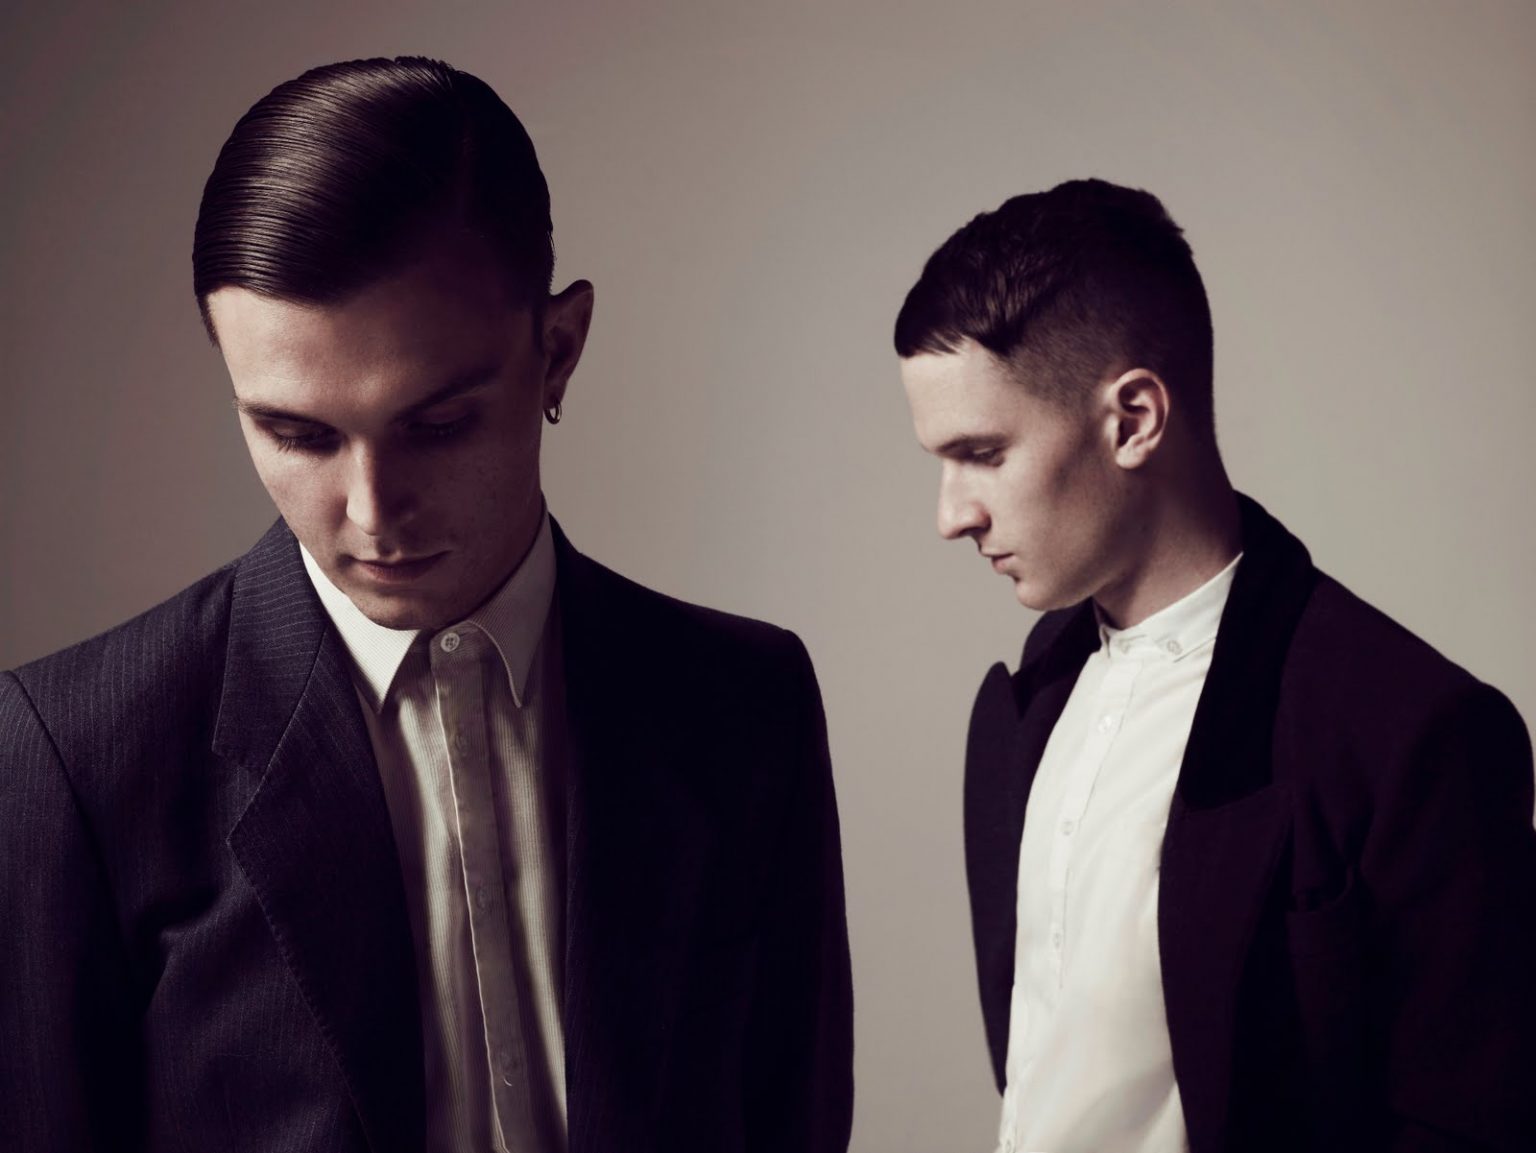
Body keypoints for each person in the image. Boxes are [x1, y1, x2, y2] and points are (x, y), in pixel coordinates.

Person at [0, 56, 853, 1153]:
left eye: (438, 424)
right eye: (297, 433)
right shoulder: (75, 753)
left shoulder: (747, 704)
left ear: (558, 350)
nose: (371, 510)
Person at [894, 178, 1536, 1153]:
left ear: (1134, 418)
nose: (951, 515)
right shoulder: (1035, 692)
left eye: (982, 453)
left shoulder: (1413, 733)